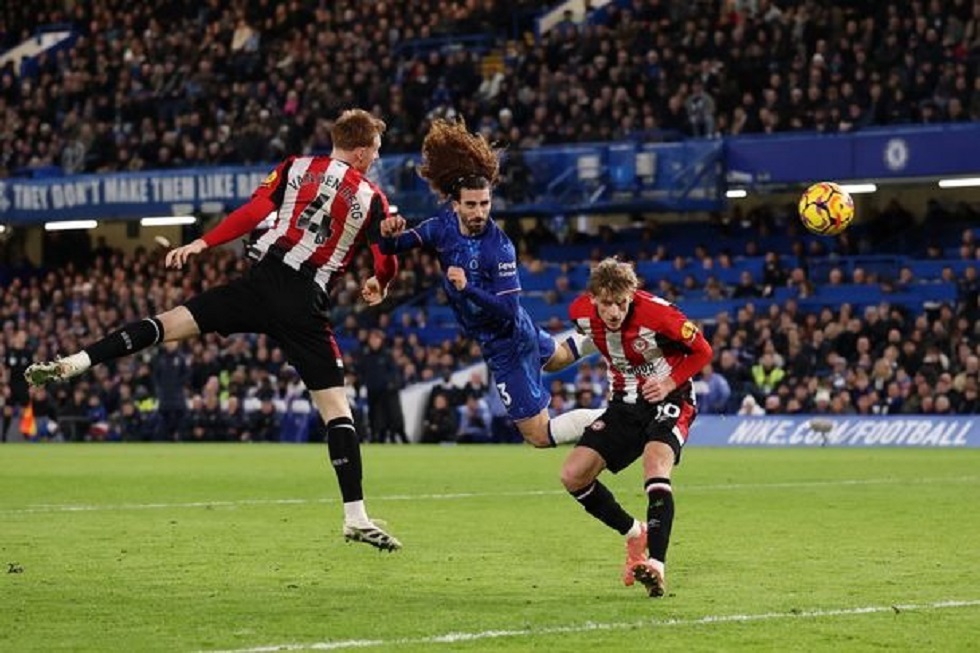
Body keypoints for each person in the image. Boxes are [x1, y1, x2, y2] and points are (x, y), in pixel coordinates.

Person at [24, 108, 402, 552]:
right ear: (361, 152)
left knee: (168, 323)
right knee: (336, 411)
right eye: (375, 151)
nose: (376, 159)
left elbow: (253, 212)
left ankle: (78, 361)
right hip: (304, 304)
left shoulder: (296, 167)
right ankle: (355, 516)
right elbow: (385, 261)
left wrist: (203, 242)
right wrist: (381, 282)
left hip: (259, 284)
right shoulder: (373, 199)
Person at [370, 119, 603, 448]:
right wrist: (388, 233)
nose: (480, 212)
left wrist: (467, 288)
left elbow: (508, 309)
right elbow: (394, 246)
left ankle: (617, 418)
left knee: (538, 435)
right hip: (502, 334)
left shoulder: (499, 247)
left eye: (485, 203)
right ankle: (605, 332)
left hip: (508, 342)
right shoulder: (441, 227)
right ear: (455, 205)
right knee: (560, 357)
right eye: (471, 204)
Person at [559, 258, 713, 597]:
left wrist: (669, 381)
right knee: (573, 475)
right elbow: (583, 344)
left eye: (621, 303)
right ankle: (634, 532)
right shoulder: (579, 313)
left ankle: (656, 564)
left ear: (631, 294)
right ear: (593, 298)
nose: (614, 312)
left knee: (655, 464)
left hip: (671, 396)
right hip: (624, 403)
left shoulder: (659, 314)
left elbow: (703, 350)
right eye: (606, 303)